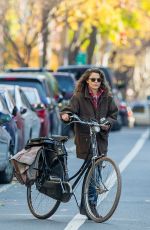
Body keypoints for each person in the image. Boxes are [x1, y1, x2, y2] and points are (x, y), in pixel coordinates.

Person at [60, 68, 118, 218]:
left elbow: (113, 114)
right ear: (87, 80)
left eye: (99, 80)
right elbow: (69, 110)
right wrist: (66, 115)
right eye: (93, 79)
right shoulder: (79, 97)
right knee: (94, 171)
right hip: (85, 137)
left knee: (94, 170)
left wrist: (108, 123)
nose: (96, 82)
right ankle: (90, 206)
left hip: (100, 139)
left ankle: (87, 206)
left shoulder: (107, 97)